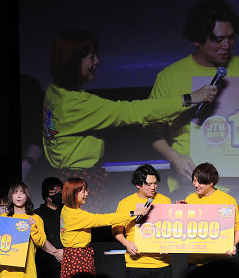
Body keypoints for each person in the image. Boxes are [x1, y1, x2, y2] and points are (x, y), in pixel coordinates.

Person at [42, 28, 218, 210]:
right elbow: (134, 111)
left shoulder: (54, 91)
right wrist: (190, 98)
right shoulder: (76, 104)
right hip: (79, 180)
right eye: (91, 56)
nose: (97, 61)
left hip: (63, 177)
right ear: (73, 61)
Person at [149, 0, 239, 198]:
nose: (227, 45)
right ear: (197, 40)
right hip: (189, 184)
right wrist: (175, 157)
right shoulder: (169, 77)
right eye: (218, 39)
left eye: (231, 38)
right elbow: (152, 132)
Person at [59, 177, 151, 278]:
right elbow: (104, 219)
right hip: (78, 258)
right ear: (73, 194)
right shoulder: (75, 215)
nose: (86, 194)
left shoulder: (66, 209)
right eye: (83, 191)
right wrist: (133, 213)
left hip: (73, 256)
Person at [112, 164, 174, 278]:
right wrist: (127, 243)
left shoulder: (165, 200)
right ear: (138, 184)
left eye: (155, 183)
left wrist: (168, 243)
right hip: (136, 263)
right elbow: (116, 230)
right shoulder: (125, 203)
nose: (153, 187)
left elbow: (171, 228)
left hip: (161, 263)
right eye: (148, 184)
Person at [181, 162, 239, 266]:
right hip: (194, 261)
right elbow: (183, 226)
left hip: (220, 261)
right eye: (194, 180)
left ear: (211, 182)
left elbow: (238, 225)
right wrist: (179, 211)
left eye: (200, 182)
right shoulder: (189, 199)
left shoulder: (227, 200)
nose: (195, 185)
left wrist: (231, 245)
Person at [0, 182, 46, 278]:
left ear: (27, 196)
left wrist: (33, 227)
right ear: (11, 196)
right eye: (15, 192)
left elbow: (41, 242)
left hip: (28, 272)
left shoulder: (36, 218)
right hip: (7, 273)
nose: (18, 195)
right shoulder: (4, 218)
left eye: (22, 192)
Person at [33, 176, 64, 278]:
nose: (57, 195)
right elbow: (38, 237)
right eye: (53, 192)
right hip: (45, 263)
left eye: (60, 191)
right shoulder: (37, 214)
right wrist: (56, 253)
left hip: (67, 259)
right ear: (46, 195)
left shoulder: (68, 210)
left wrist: (65, 252)